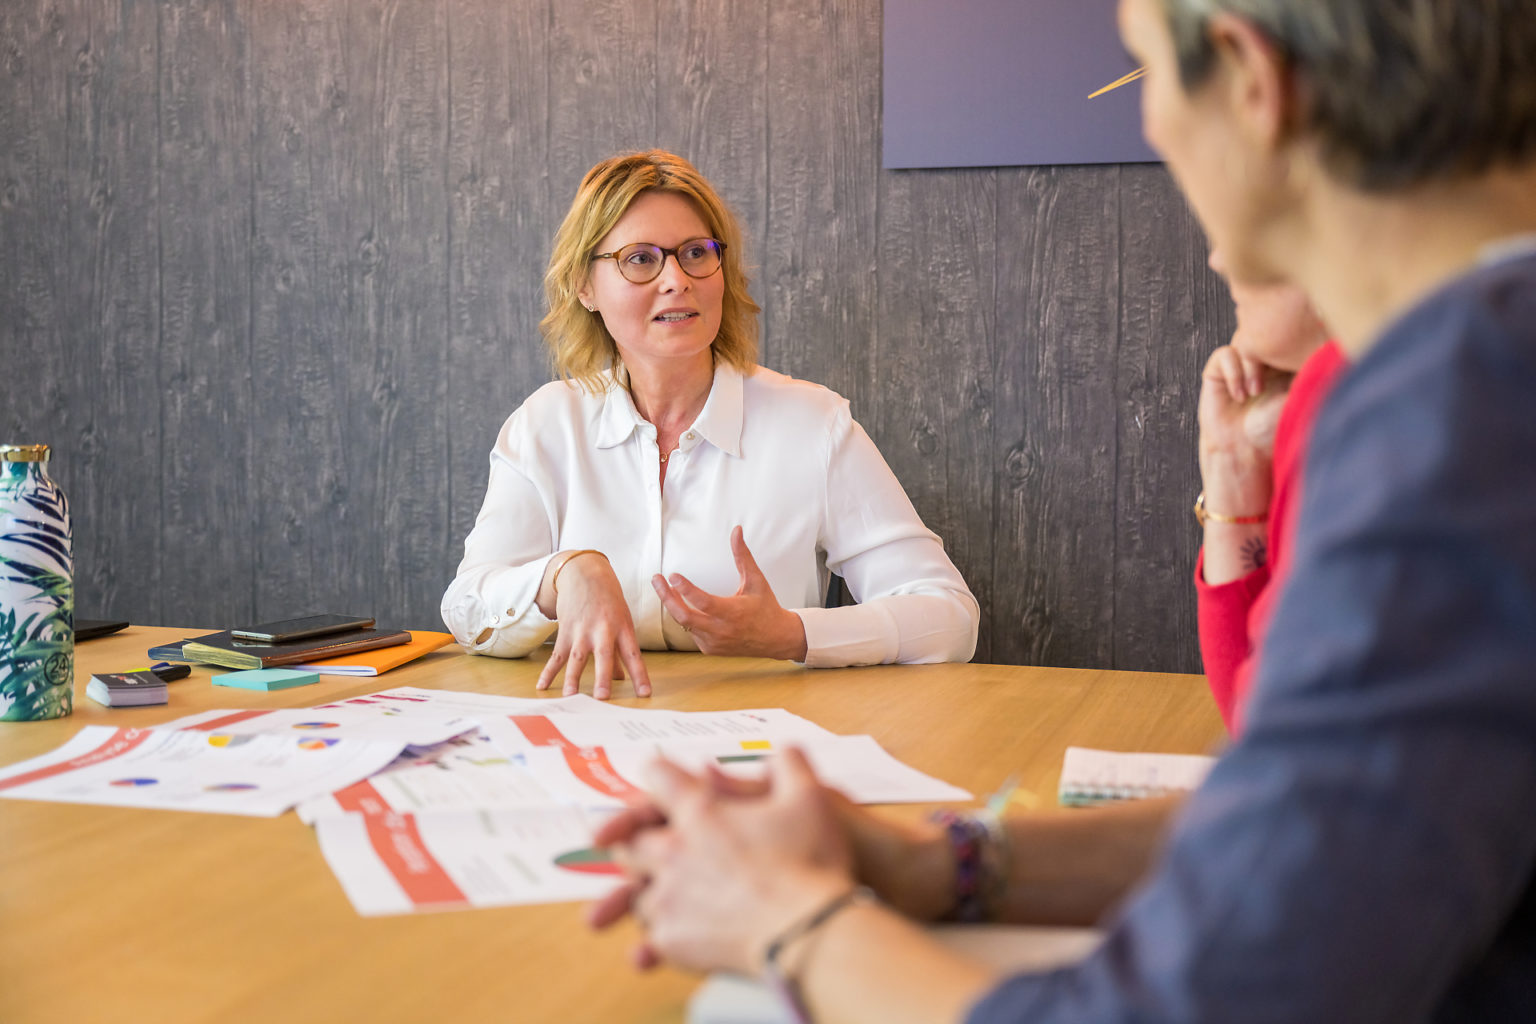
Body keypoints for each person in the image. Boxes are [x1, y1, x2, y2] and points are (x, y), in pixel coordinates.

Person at [589, 1, 1536, 1020]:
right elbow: (1307, 829)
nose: (1152, 129)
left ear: (1250, 80)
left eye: (1139, 76)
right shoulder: (1467, 372)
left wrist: (791, 921)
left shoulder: (1464, 408)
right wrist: (933, 858)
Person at [440, 151, 978, 699]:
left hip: (762, 746)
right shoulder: (546, 424)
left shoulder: (814, 425)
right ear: (585, 286)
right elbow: (466, 609)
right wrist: (563, 575)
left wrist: (790, 634)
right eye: (640, 259)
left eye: (696, 253)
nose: (676, 279)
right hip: (591, 734)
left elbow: (950, 618)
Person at [1194, 253, 1347, 733]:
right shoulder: (1322, 394)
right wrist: (1231, 460)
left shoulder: (1349, 390)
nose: (1220, 259)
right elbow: (1254, 721)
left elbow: (1276, 734)